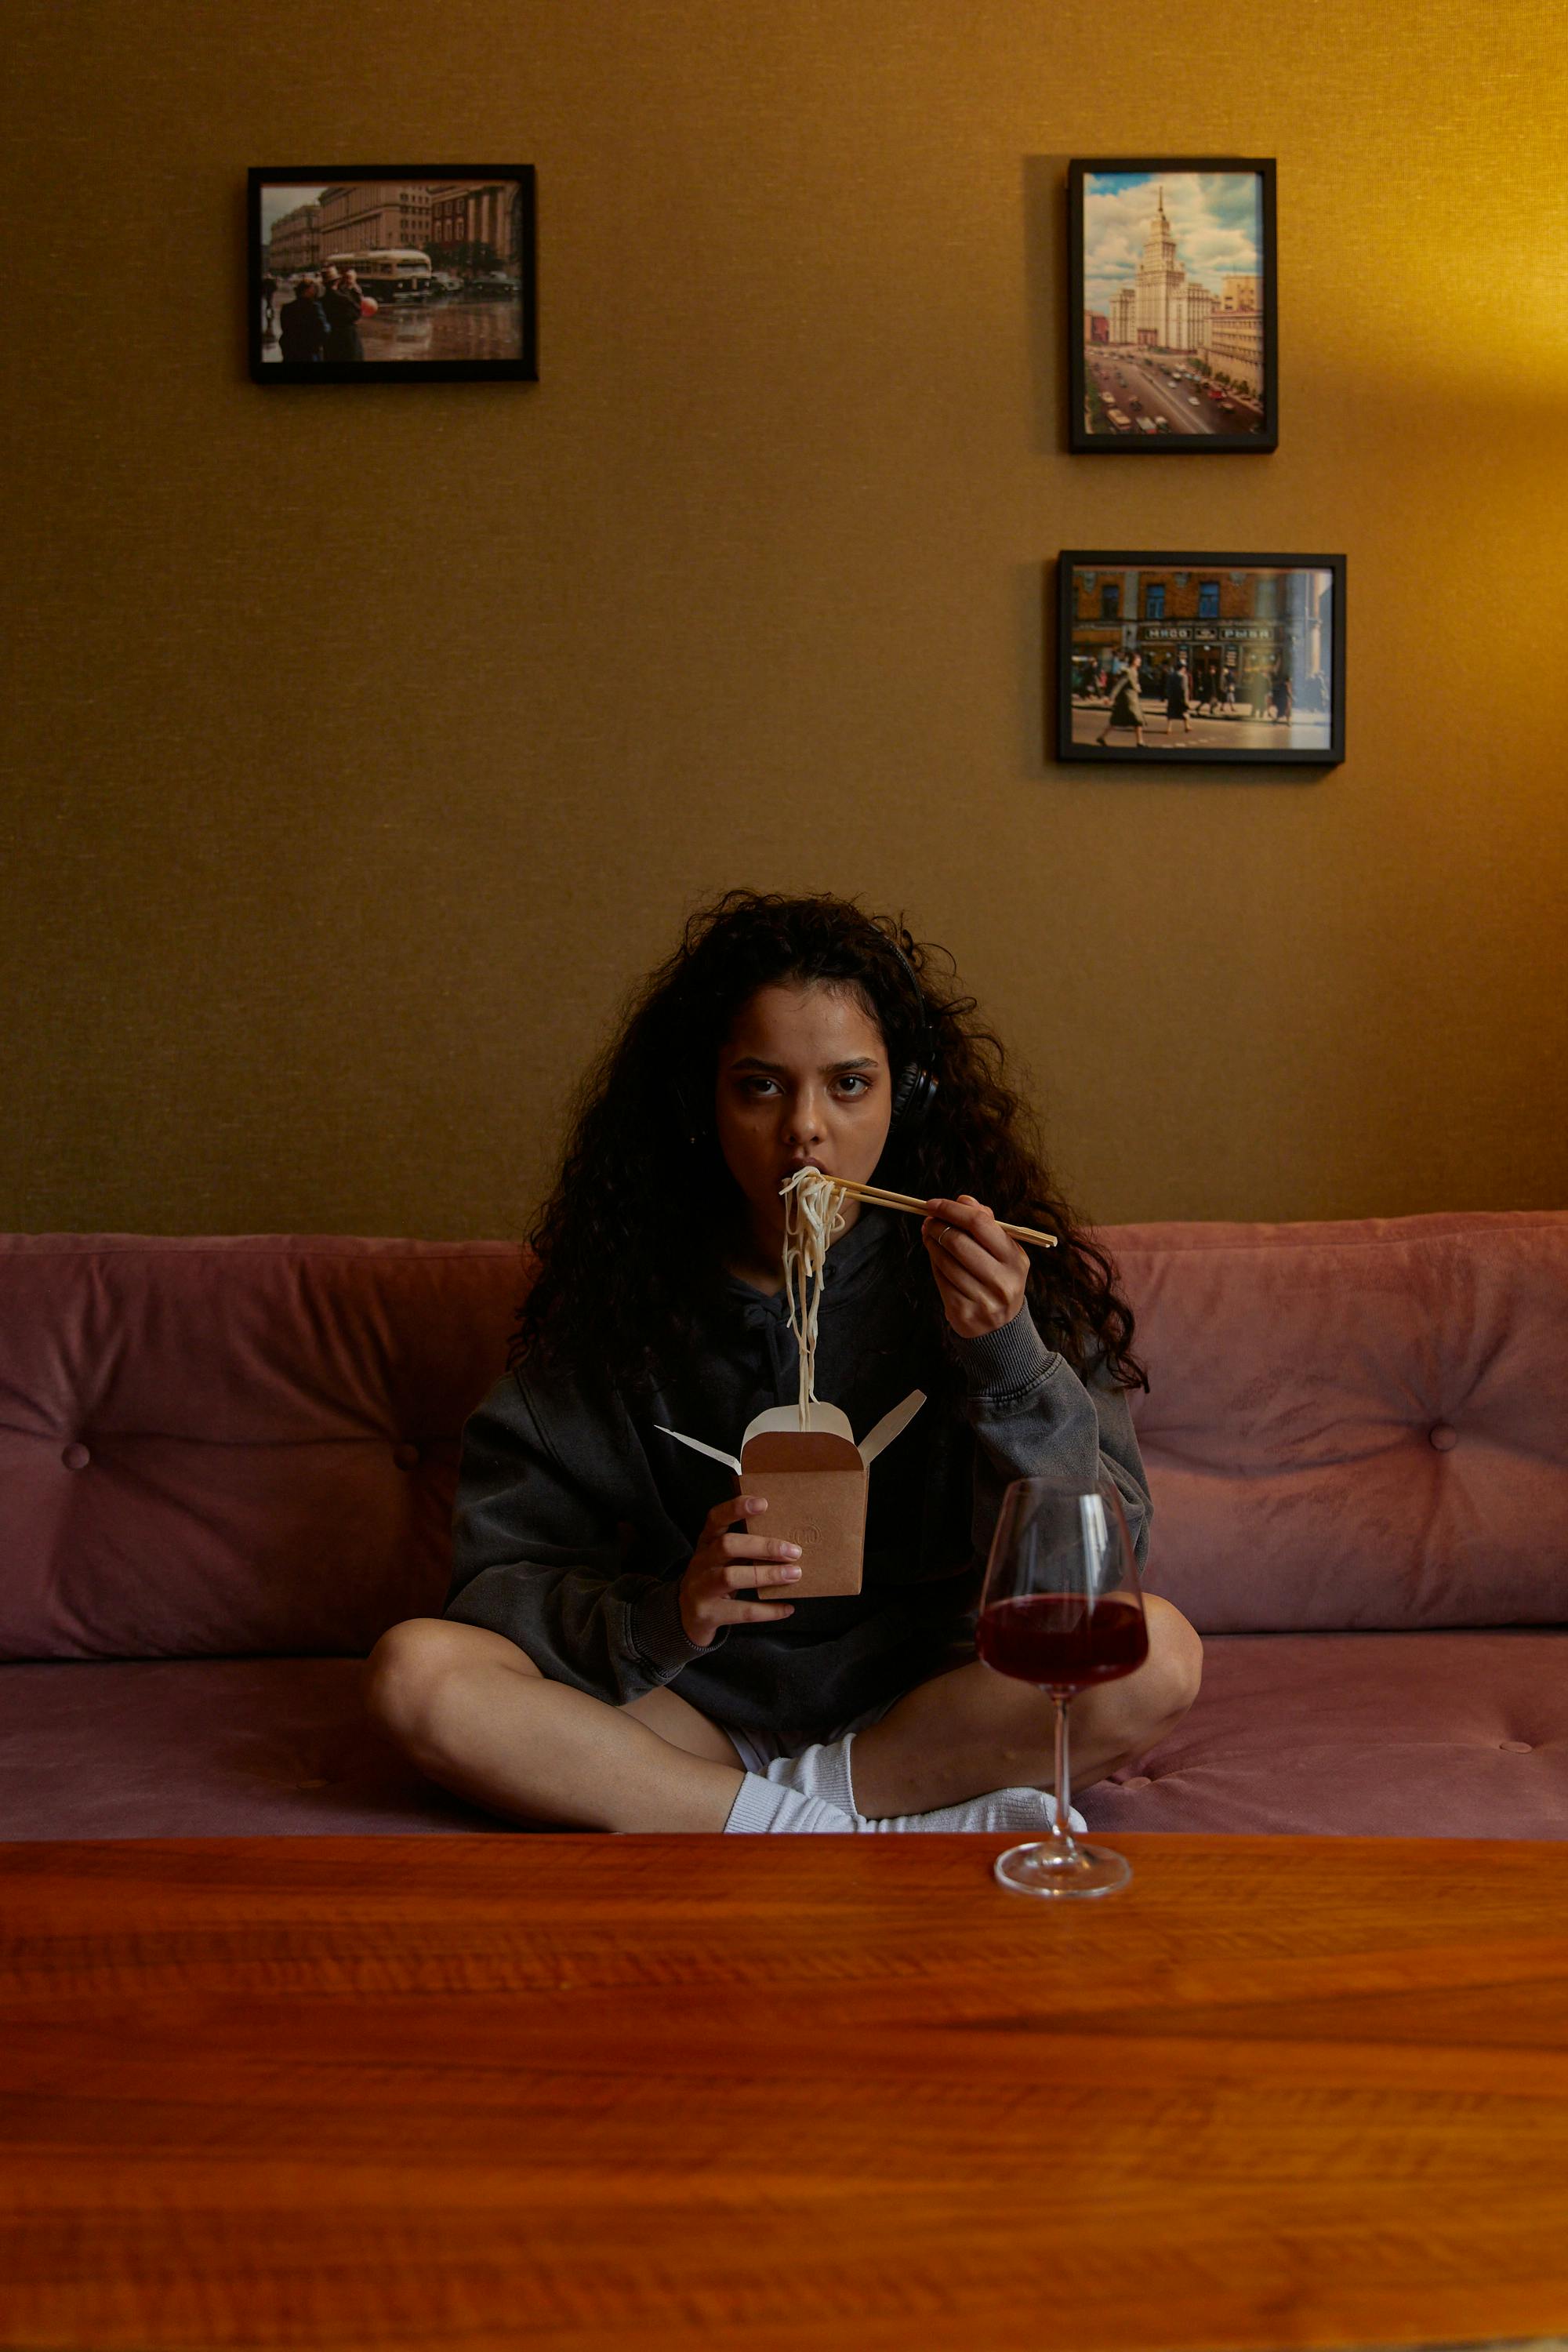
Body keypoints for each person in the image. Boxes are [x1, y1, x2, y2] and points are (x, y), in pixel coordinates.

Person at [367, 893, 1201, 1835]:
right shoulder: (619, 1304)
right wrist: (665, 1614)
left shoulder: (993, 1282)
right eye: (760, 1086)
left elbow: (1093, 1567)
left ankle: (760, 1817)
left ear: (908, 1094)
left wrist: (1003, 1352)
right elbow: (495, 1580)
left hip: (924, 1707)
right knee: (418, 1674)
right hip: (693, 1713)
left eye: (848, 1085)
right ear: (702, 1098)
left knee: (1157, 1654)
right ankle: (828, 1822)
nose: (805, 1130)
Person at [1094, 652, 1145, 749]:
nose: (1140, 661)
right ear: (1133, 661)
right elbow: (1119, 685)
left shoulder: (1134, 671)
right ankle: (1140, 742)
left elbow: (1133, 684)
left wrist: (1137, 688)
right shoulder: (1128, 671)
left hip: (1131, 700)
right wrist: (1111, 698)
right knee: (1138, 720)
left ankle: (1101, 737)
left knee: (1117, 721)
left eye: (1140, 659)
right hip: (1128, 701)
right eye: (1138, 659)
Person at [320, 263, 365, 361]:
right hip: (347, 338)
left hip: (331, 340)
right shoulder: (343, 299)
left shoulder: (322, 300)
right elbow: (357, 313)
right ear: (337, 281)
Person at [278, 276, 328, 362]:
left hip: (291, 350)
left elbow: (285, 328)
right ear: (309, 290)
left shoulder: (287, 308)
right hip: (310, 351)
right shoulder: (314, 308)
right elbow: (324, 329)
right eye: (315, 289)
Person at [1164, 656, 1192, 741]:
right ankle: (1187, 726)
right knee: (1184, 711)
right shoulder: (1184, 677)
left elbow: (1168, 686)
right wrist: (1186, 700)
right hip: (1181, 698)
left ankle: (1169, 728)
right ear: (1183, 668)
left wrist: (1168, 695)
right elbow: (1184, 689)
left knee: (1171, 712)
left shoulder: (1171, 675)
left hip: (1172, 697)